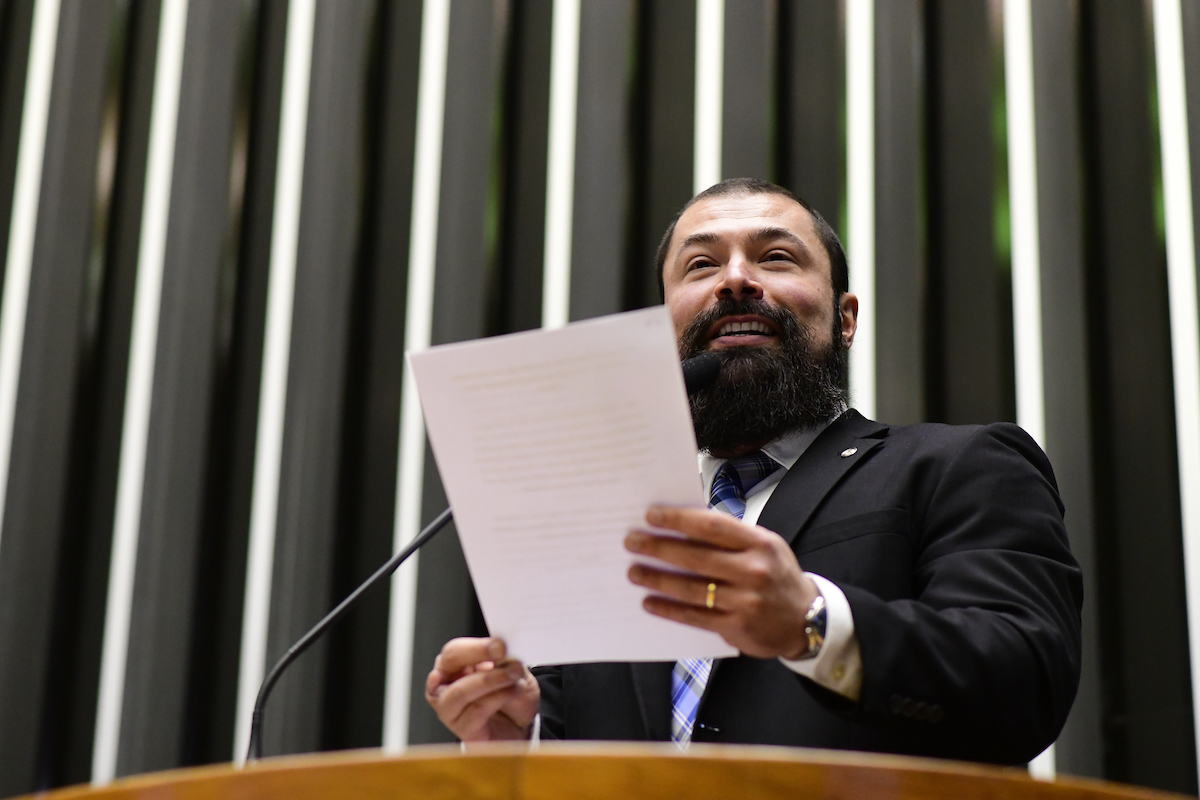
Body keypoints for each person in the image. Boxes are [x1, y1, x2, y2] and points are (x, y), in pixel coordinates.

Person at [424, 178, 1082, 765]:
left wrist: (812, 623)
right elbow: (581, 743)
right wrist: (516, 741)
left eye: (775, 257)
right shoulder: (601, 522)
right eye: (701, 265)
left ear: (845, 319)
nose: (735, 280)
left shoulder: (957, 466)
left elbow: (1025, 683)